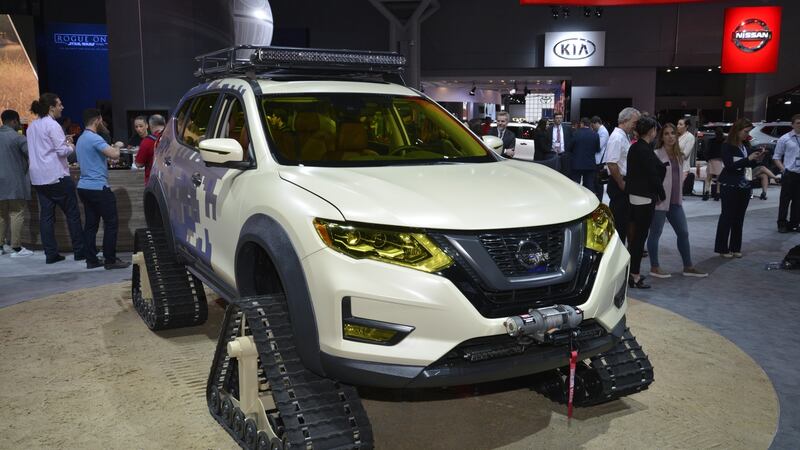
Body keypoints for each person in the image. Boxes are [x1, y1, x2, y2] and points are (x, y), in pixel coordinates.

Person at [26, 93, 86, 264]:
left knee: (46, 217)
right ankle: (80, 251)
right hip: (56, 175)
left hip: (38, 177)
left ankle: (51, 254)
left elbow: (43, 147)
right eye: (59, 104)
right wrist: (71, 146)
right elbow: (62, 152)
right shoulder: (52, 125)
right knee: (72, 215)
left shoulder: (32, 126)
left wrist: (63, 142)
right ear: (51, 107)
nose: (62, 107)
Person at [647, 123, 708, 279]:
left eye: (672, 133)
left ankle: (688, 266)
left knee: (683, 233)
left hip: (675, 202)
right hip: (660, 202)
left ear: (676, 135)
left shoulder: (679, 155)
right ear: (662, 137)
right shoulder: (655, 154)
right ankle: (654, 267)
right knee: (655, 234)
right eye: (666, 134)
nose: (670, 136)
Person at [75, 108, 130, 270]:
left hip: (84, 187)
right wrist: (118, 145)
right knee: (111, 223)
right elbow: (114, 154)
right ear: (98, 120)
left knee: (91, 225)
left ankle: (91, 260)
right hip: (98, 187)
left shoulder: (81, 138)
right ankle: (110, 260)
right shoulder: (94, 138)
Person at [714, 118, 764, 257]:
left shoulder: (745, 146)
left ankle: (736, 248)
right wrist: (748, 159)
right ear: (737, 130)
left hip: (745, 184)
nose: (747, 134)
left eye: (748, 132)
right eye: (745, 131)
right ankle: (722, 248)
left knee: (739, 217)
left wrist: (757, 159)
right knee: (727, 216)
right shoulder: (727, 146)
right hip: (729, 185)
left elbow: (747, 166)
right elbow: (730, 165)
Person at [625, 116, 665, 289]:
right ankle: (634, 275)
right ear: (652, 131)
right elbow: (653, 173)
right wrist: (661, 193)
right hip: (644, 196)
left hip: (635, 195)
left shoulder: (636, 147)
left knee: (636, 238)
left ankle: (632, 274)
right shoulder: (643, 149)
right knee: (639, 239)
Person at [0, 110, 34, 257]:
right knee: (16, 213)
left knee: (0, 215)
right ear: (14, 121)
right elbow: (31, 157)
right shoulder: (18, 138)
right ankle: (16, 247)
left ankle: (0, 246)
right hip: (14, 181)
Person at [604, 107, 640, 244]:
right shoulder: (617, 138)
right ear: (625, 120)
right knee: (619, 223)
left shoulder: (623, 136)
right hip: (619, 183)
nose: (635, 126)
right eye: (634, 122)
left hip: (622, 181)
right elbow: (612, 163)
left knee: (623, 222)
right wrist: (621, 183)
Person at [773, 114, 800, 233]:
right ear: (792, 124)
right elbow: (776, 157)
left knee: (798, 201)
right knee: (785, 200)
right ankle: (782, 224)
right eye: (798, 123)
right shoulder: (785, 138)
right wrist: (784, 170)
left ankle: (794, 223)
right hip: (790, 174)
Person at [567, 117, 600, 199]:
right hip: (590, 164)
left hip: (577, 164)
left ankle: (575, 201)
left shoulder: (575, 133)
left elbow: (569, 148)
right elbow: (597, 149)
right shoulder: (595, 135)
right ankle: (588, 204)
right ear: (589, 125)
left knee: (575, 185)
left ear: (582, 124)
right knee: (589, 186)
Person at [135, 114, 165, 185]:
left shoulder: (147, 141)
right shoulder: (174, 139)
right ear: (165, 123)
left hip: (153, 181)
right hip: (170, 181)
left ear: (150, 125)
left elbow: (139, 164)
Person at [702, 127, 724, 201]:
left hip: (711, 160)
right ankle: (718, 193)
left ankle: (706, 192)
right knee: (719, 179)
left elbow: (707, 151)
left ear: (715, 133)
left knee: (708, 178)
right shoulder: (724, 142)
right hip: (720, 161)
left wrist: (707, 159)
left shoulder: (711, 141)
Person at [591, 116, 609, 199]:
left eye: (593, 125)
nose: (593, 128)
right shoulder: (600, 131)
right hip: (598, 159)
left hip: (600, 160)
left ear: (596, 123)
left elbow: (599, 146)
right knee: (596, 182)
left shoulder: (603, 132)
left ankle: (599, 200)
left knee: (598, 182)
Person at [677, 117, 696, 191]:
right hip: (673, 164)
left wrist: (672, 152)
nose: (678, 126)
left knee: (678, 189)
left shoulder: (690, 137)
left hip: (683, 166)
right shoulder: (676, 135)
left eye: (680, 124)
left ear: (686, 126)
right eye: (678, 124)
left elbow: (686, 154)